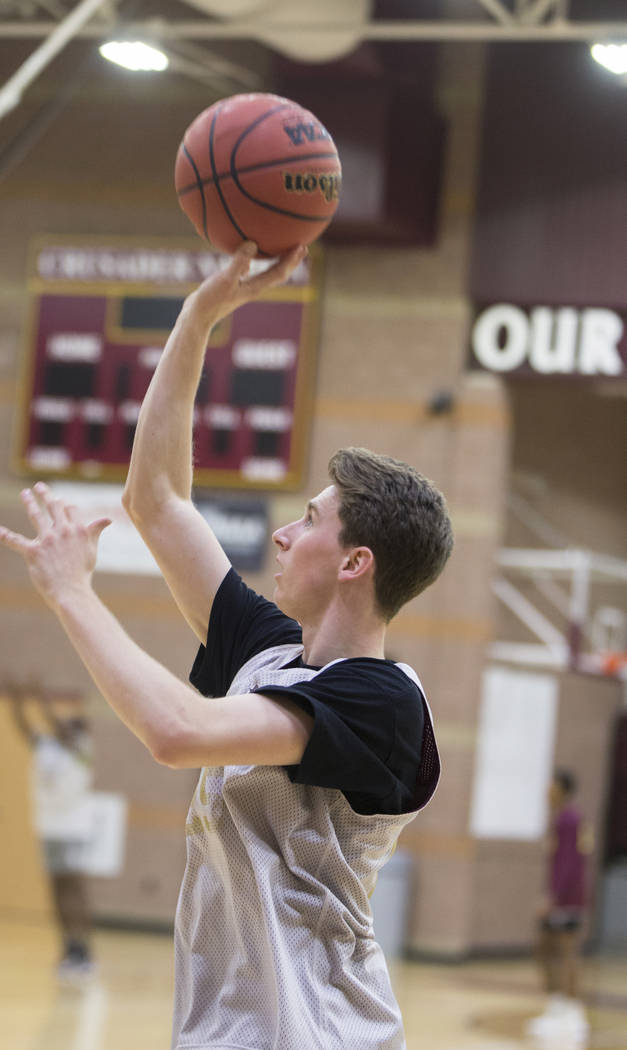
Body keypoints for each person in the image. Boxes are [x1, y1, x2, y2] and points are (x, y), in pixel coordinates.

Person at [0, 242, 454, 1050]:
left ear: (355, 563)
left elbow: (179, 732)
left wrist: (72, 593)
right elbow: (159, 499)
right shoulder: (268, 652)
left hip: (317, 1035)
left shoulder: (384, 702)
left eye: (308, 520)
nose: (282, 533)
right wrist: (198, 316)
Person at [9, 681, 95, 981]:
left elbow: (55, 724)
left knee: (74, 889)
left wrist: (43, 699)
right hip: (49, 828)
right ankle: (69, 948)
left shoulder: (81, 748)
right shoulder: (47, 747)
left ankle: (85, 950)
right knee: (57, 891)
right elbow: (23, 726)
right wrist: (19, 700)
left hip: (73, 830)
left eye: (70, 725)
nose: (65, 728)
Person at [526, 768, 592, 1045]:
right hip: (565, 897)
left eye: (551, 786)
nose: (546, 791)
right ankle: (558, 1007)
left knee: (564, 951)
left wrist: (553, 896)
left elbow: (570, 862)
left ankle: (572, 1012)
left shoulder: (569, 819)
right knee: (549, 949)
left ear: (562, 789)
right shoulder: (563, 818)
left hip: (566, 900)